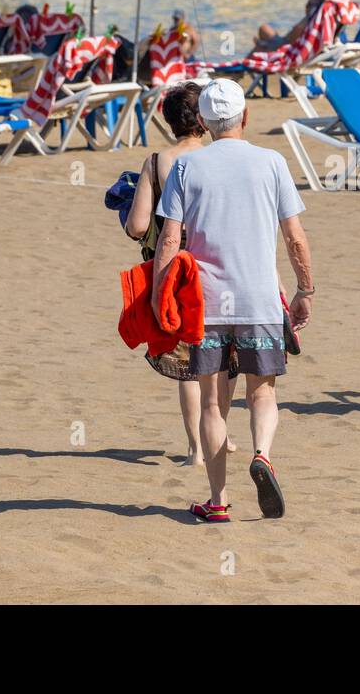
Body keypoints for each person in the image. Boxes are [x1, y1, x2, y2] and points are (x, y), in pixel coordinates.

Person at [153, 79, 314, 522]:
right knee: (262, 393)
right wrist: (305, 290)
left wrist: (157, 298)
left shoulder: (188, 168)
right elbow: (295, 237)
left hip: (206, 303)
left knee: (211, 402)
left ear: (202, 121)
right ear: (245, 117)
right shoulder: (272, 162)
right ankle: (262, 454)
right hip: (260, 298)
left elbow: (169, 240)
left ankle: (218, 500)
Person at [125, 82, 237, 467]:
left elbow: (139, 226)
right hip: (215, 263)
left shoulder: (157, 162)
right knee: (225, 355)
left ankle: (195, 449)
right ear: (204, 121)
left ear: (168, 121)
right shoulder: (218, 158)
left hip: (173, 269)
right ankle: (220, 432)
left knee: (189, 361)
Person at [255, 0, 324, 52]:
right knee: (265, 29)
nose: (306, 6)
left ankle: (264, 47)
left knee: (263, 29)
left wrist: (309, 16)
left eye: (309, 4)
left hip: (283, 46)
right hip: (285, 41)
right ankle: (265, 44)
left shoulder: (306, 23)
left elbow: (289, 45)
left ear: (315, 9)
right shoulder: (318, 23)